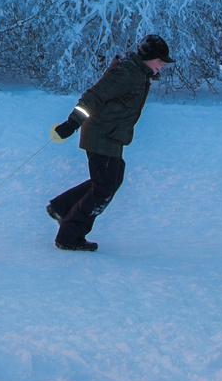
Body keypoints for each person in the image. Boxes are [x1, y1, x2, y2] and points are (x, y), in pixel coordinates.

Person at [45, 33, 172, 252]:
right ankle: (68, 235)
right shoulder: (125, 73)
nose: (162, 65)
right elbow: (93, 97)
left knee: (109, 180)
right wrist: (72, 123)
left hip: (111, 136)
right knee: (104, 187)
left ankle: (63, 208)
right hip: (100, 135)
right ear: (149, 57)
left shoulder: (139, 73)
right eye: (160, 60)